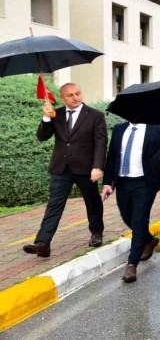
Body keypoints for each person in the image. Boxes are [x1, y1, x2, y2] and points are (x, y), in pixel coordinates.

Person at [24, 83, 107, 258]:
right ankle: (43, 243)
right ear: (62, 98)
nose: (75, 97)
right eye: (70, 95)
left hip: (86, 169)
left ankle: (96, 232)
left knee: (92, 202)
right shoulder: (57, 114)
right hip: (61, 168)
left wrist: (97, 166)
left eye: (78, 93)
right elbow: (42, 136)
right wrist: (46, 118)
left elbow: (101, 143)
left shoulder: (95, 116)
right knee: (54, 204)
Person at [100, 121, 160, 282]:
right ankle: (149, 240)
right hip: (123, 181)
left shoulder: (157, 129)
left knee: (138, 220)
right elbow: (112, 157)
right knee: (127, 216)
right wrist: (108, 183)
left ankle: (132, 264)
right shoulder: (119, 129)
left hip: (145, 182)